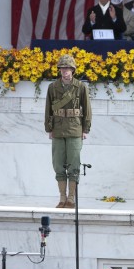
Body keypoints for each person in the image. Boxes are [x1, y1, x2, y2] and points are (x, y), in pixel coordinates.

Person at [45, 54, 92, 209]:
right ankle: (62, 197)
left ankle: (71, 198)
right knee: (58, 164)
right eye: (62, 68)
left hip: (74, 129)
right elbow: (48, 109)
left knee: (74, 164)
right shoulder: (53, 87)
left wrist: (85, 129)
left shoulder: (81, 87)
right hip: (58, 129)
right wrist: (49, 128)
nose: (65, 71)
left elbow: (87, 109)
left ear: (73, 70)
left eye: (68, 68)